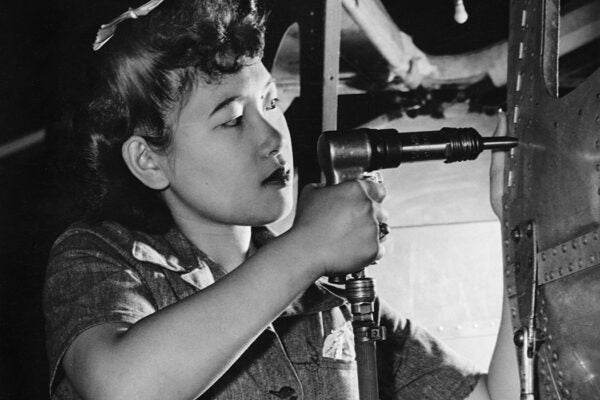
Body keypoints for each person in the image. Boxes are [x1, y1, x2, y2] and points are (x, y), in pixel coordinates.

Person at [43, 0, 519, 399]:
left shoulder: (330, 296)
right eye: (232, 120)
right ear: (149, 161)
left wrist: (517, 217)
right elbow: (125, 388)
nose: (274, 136)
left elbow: (498, 396)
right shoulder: (97, 256)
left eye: (271, 103)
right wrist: (309, 248)